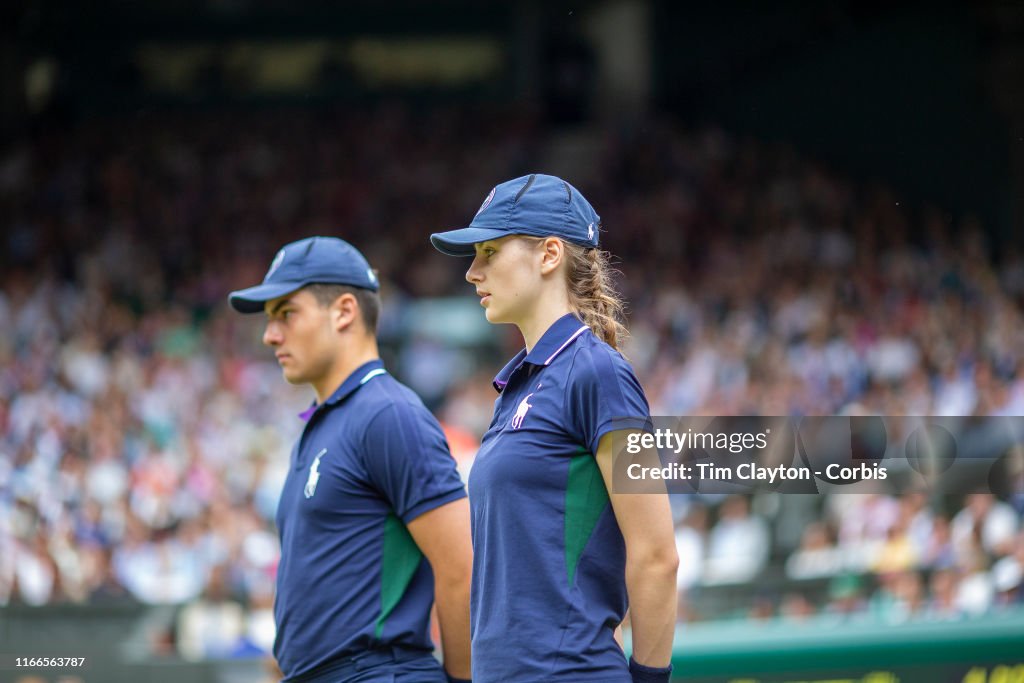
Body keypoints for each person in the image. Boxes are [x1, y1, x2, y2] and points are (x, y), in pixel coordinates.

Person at [431, 174, 679, 683]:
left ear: (549, 255)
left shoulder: (599, 373)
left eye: (490, 252)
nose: (472, 272)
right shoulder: (518, 387)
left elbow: (657, 556)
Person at [229, 236, 472, 683]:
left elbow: (462, 567)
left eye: (286, 314)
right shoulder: (325, 421)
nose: (269, 335)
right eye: (268, 320)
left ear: (343, 311)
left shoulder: (388, 414)